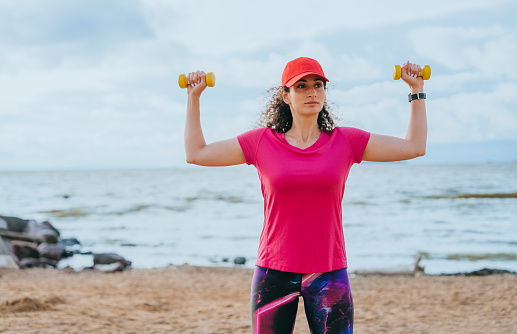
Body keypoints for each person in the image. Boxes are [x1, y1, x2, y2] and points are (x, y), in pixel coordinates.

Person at [183, 57, 426, 334]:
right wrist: (194, 98)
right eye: (301, 86)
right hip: (273, 271)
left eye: (318, 85)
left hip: (328, 272)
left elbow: (414, 147)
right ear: (285, 95)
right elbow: (196, 153)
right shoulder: (261, 142)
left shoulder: (346, 141)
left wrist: (416, 92)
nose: (312, 92)